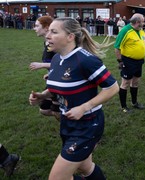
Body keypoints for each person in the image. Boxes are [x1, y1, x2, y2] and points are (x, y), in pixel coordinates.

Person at [29, 17, 119, 179]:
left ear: (70, 37)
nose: (48, 36)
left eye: (54, 32)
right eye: (48, 31)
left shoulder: (86, 60)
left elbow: (112, 88)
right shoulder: (56, 59)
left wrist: (84, 107)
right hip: (67, 122)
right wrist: (42, 96)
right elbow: (57, 87)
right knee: (85, 167)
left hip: (88, 124)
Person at [29, 15, 60, 119]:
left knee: (57, 111)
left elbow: (64, 63)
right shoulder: (46, 42)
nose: (34, 28)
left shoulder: (54, 43)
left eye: (37, 26)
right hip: (52, 78)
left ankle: (73, 128)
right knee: (45, 110)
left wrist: (41, 65)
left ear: (46, 27)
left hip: (60, 79)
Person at [114, 13, 145, 113]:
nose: (144, 22)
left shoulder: (141, 31)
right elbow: (117, 47)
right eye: (143, 21)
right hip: (128, 61)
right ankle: (123, 107)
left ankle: (134, 102)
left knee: (135, 81)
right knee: (125, 83)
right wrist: (120, 61)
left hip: (139, 61)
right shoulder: (125, 30)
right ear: (137, 22)